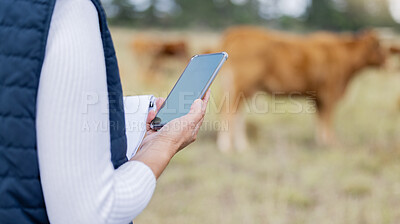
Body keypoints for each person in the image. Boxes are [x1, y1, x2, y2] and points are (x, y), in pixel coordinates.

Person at [0, 0, 209, 223]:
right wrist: (165, 142)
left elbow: (20, 109)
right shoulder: (70, 8)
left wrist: (125, 116)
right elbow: (90, 215)